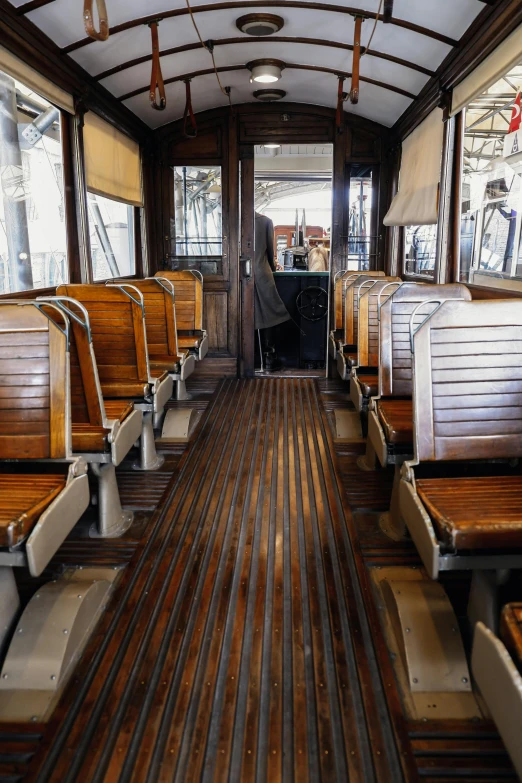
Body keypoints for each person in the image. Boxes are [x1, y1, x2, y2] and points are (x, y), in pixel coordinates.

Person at [254, 211, 290, 370]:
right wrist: (273, 268)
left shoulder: (233, 219)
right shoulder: (265, 221)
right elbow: (270, 252)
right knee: (270, 313)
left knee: (246, 316)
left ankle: (252, 358)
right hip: (262, 273)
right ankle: (269, 357)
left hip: (239, 274)